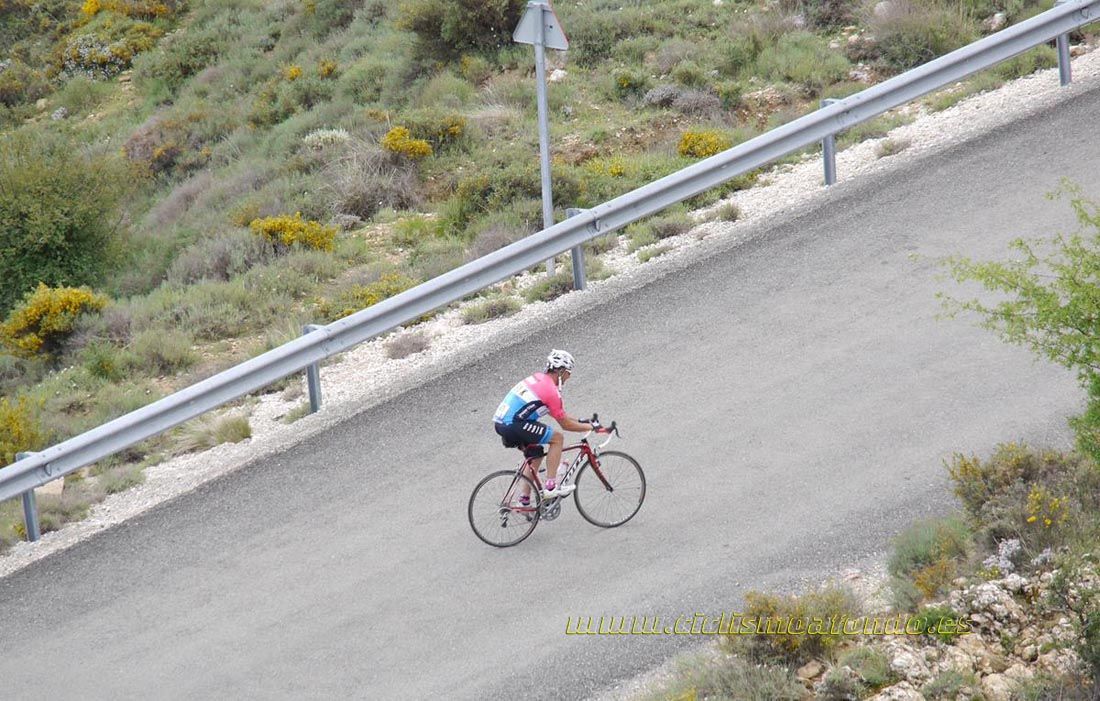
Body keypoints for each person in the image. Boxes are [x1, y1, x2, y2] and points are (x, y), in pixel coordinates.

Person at [493, 349, 592, 504]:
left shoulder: (538, 378)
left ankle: (524, 500)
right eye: (568, 372)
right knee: (557, 438)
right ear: (560, 372)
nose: (569, 376)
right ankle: (551, 487)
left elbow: (559, 414)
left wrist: (582, 421)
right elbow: (565, 424)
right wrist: (589, 428)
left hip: (502, 422)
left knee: (536, 453)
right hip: (514, 424)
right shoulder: (551, 391)